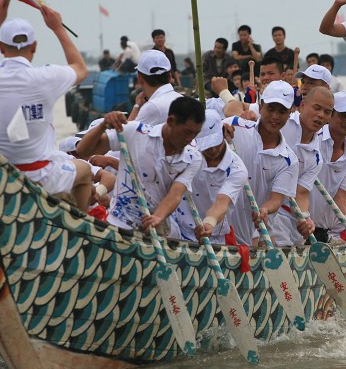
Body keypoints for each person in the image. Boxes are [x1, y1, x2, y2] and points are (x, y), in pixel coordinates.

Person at [0, 2, 92, 208]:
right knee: (85, 171)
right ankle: (79, 227)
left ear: (0, 48)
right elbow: (80, 68)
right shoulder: (46, 77)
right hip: (41, 175)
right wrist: (57, 27)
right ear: (34, 46)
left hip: (0, 175)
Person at [74, 96, 205, 237]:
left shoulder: (193, 157)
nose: (190, 139)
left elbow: (176, 194)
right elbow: (83, 150)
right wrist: (103, 125)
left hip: (158, 229)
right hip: (119, 225)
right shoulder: (135, 132)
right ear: (171, 121)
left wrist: (158, 217)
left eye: (195, 134)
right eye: (187, 132)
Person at [223, 81, 299, 246]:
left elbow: (276, 199)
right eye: (271, 109)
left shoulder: (289, 159)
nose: (275, 117)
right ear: (261, 106)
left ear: (290, 112)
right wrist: (217, 133)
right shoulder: (236, 126)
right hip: (217, 229)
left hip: (252, 235)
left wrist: (265, 210)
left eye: (282, 111)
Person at [272, 87, 335, 246]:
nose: (321, 115)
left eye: (327, 112)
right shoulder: (282, 124)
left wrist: (305, 218)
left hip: (288, 221)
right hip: (263, 213)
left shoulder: (316, 157)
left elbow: (302, 193)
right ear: (302, 106)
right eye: (317, 108)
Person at [174, 110, 248, 245]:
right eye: (207, 146)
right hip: (178, 226)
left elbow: (221, 202)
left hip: (212, 234)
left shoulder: (237, 169)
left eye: (216, 143)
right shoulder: (188, 151)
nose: (213, 150)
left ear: (223, 133)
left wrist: (208, 224)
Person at [309, 91, 346, 243]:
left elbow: (341, 197)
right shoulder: (313, 138)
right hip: (296, 224)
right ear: (330, 116)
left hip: (321, 232)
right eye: (343, 115)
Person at [127, 50, 182, 125]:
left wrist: (136, 106)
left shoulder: (152, 107)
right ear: (170, 77)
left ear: (139, 78)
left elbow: (125, 134)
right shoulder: (181, 99)